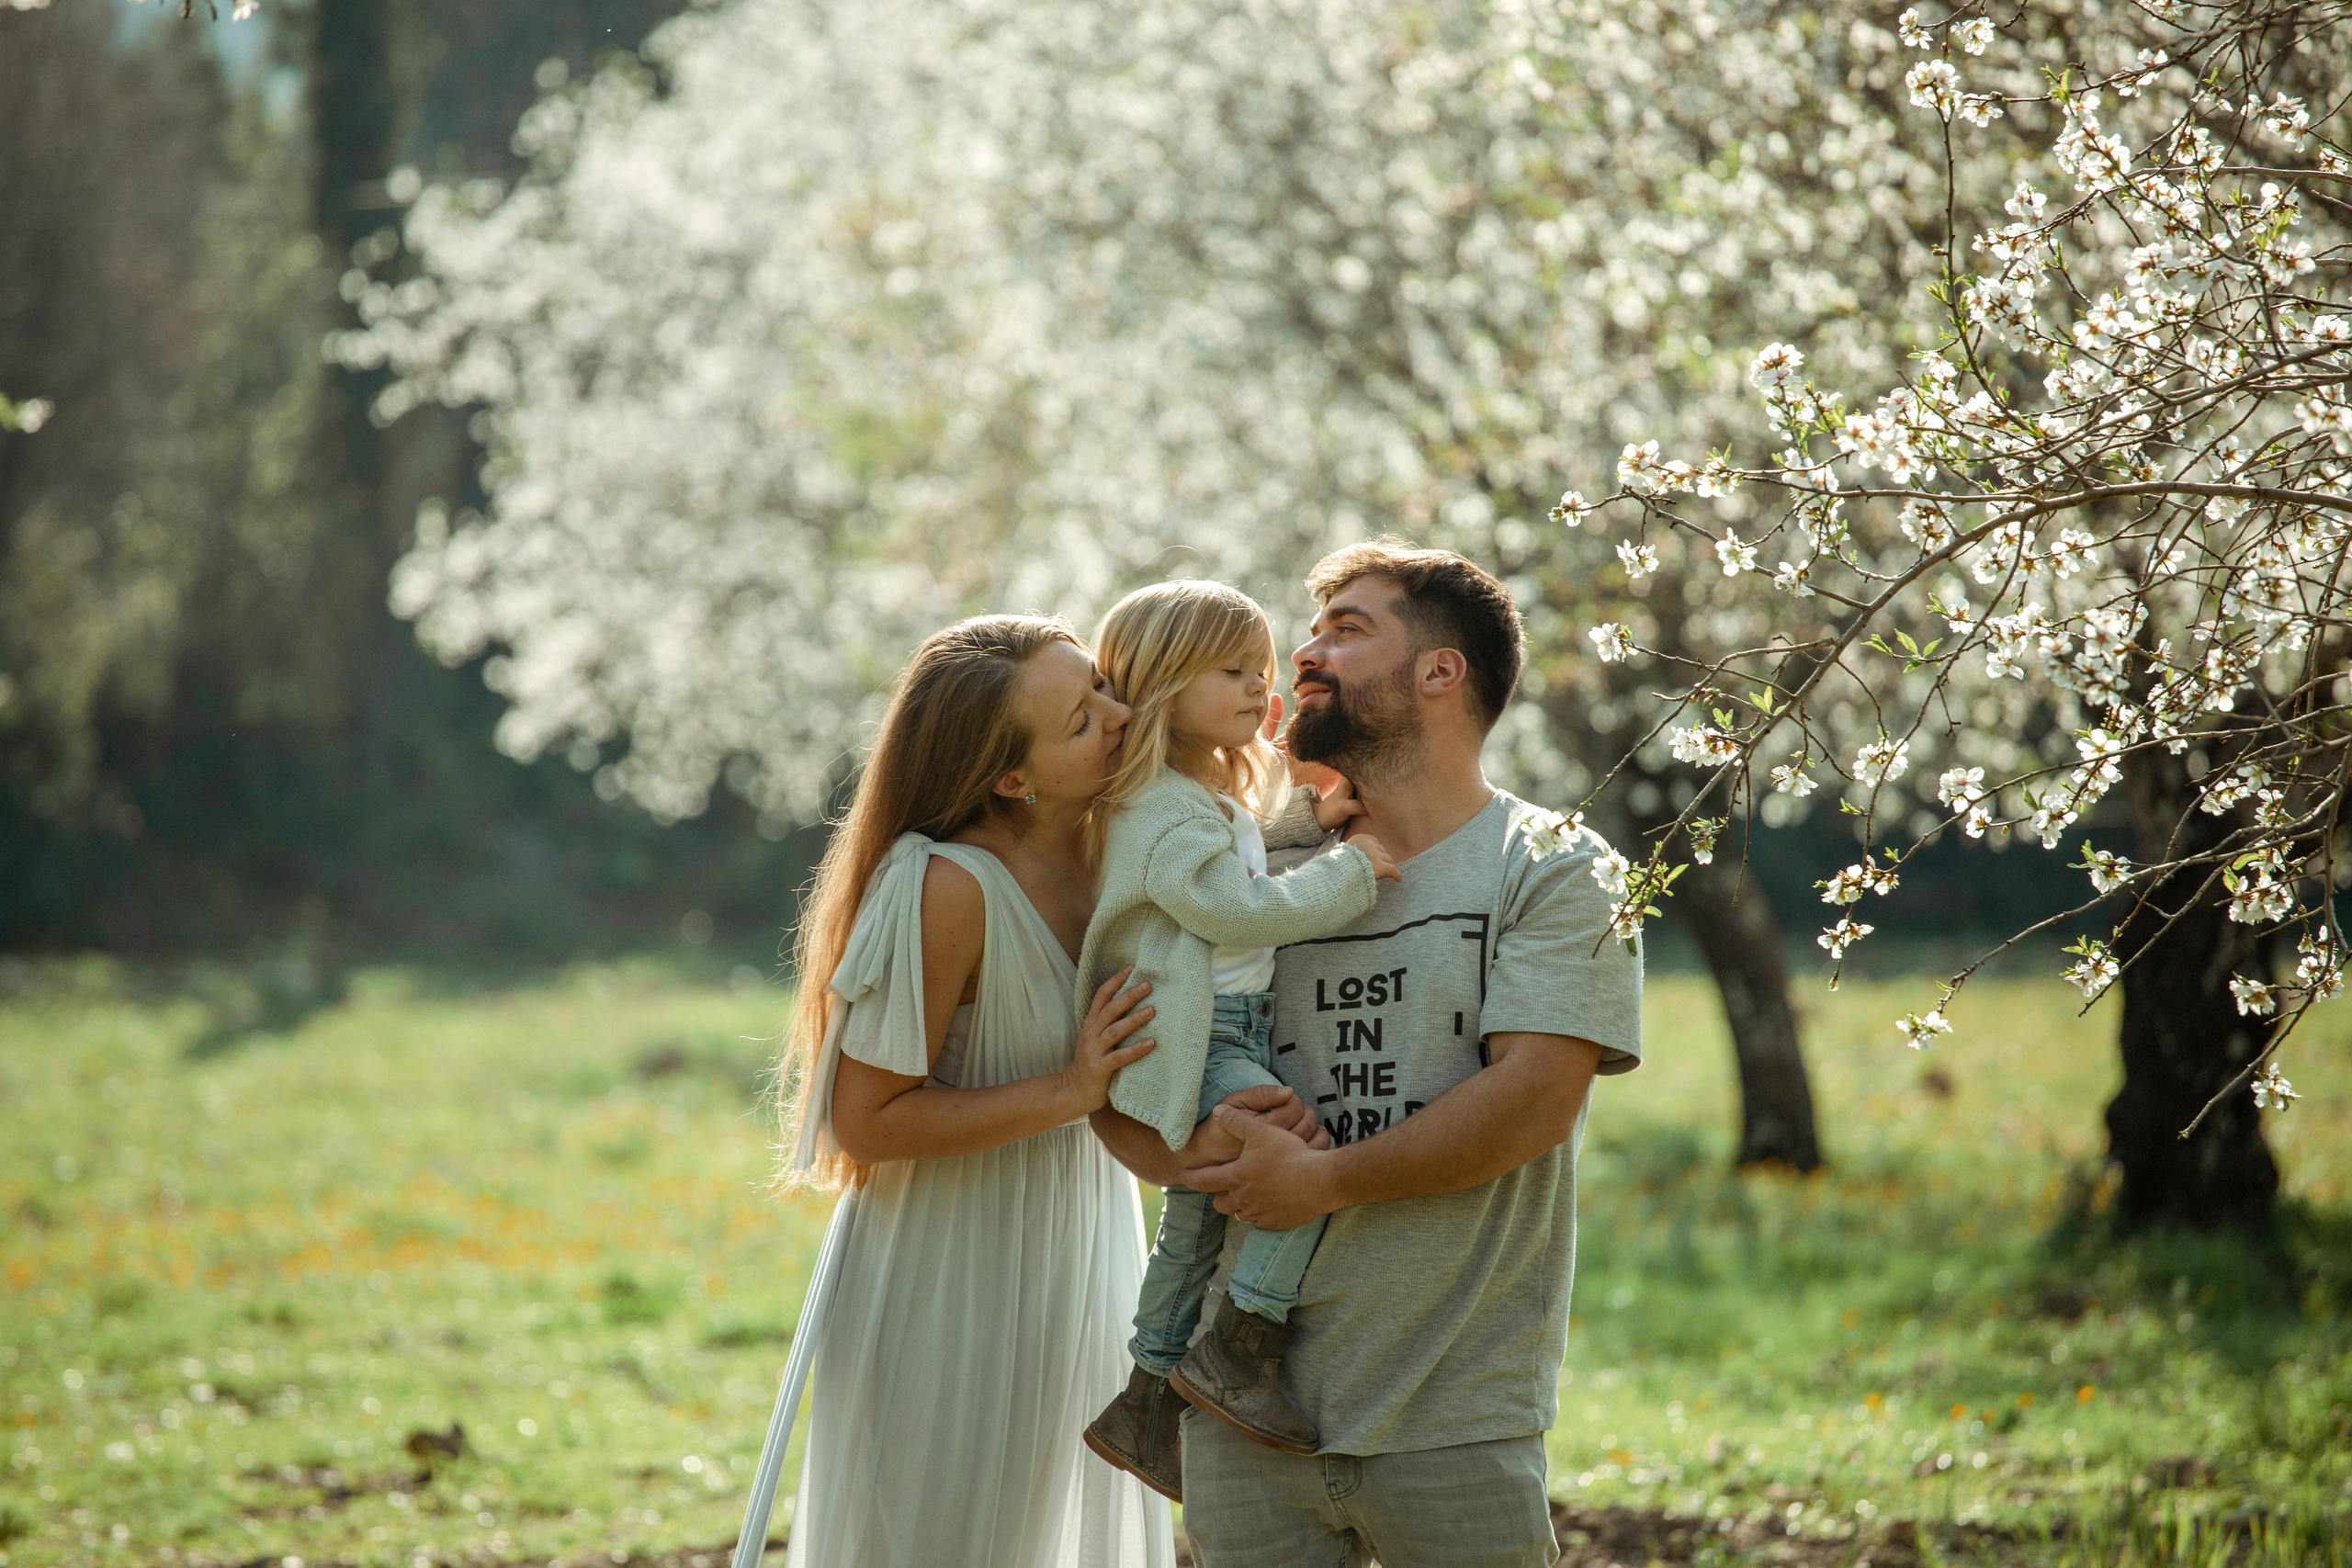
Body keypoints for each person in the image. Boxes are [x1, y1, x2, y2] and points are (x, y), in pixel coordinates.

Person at [1090, 543, 1645, 1568]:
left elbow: (1532, 1103)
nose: (1303, 653)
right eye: (1313, 627)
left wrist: (1319, 1180)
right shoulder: (1238, 861)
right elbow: (1119, 1067)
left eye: (1347, 630)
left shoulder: (1557, 867)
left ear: (1440, 671)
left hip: (1452, 1407)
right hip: (1237, 1419)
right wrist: (1191, 1146)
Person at [775, 615, 1328, 1568]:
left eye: (1103, 688)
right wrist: (1071, 1089)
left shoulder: (1124, 842)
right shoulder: (946, 884)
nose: (1119, 718)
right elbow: (864, 1121)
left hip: (1083, 1240)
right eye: (1080, 721)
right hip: (948, 1268)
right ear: (1010, 778)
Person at [1072, 581, 1402, 1501]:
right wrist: (1349, 873)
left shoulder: (1185, 799)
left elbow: (1234, 852)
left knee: (1193, 1217)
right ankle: (1242, 1345)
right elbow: (1229, 905)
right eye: (1232, 671)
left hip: (1212, 1028)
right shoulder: (1160, 808)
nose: (1261, 689)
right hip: (1204, 1035)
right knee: (1302, 1162)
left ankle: (1143, 1399)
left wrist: (1304, 825)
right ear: (1163, 683)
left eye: (1262, 670)